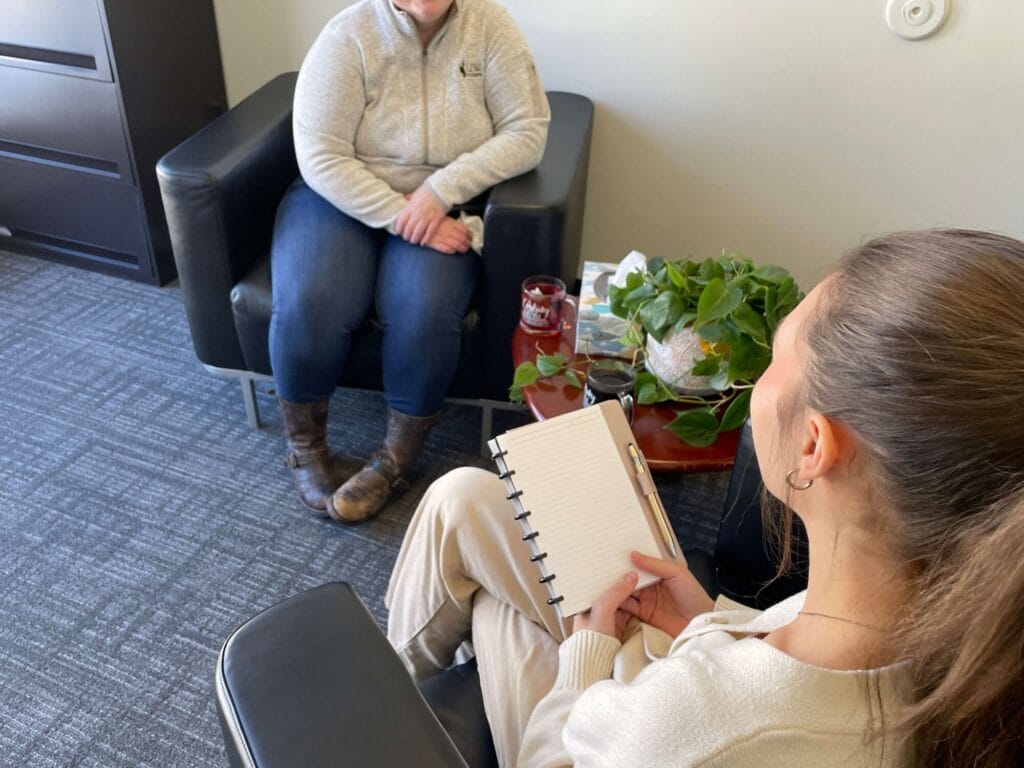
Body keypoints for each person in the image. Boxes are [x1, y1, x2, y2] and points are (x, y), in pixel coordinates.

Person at [385, 229, 1024, 766]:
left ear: (812, 445)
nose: (755, 386)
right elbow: (802, 671)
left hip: (618, 730)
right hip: (682, 682)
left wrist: (585, 660)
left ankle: (376, 706)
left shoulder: (696, 722)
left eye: (773, 359)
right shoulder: (959, 629)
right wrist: (711, 624)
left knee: (482, 568)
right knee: (467, 497)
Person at [270, 0, 550, 522]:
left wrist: (440, 191)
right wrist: (402, 214)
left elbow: (528, 129)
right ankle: (306, 449)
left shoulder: (491, 28)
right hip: (342, 198)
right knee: (313, 299)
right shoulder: (346, 36)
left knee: (423, 309)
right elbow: (320, 154)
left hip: (441, 205)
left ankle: (395, 459)